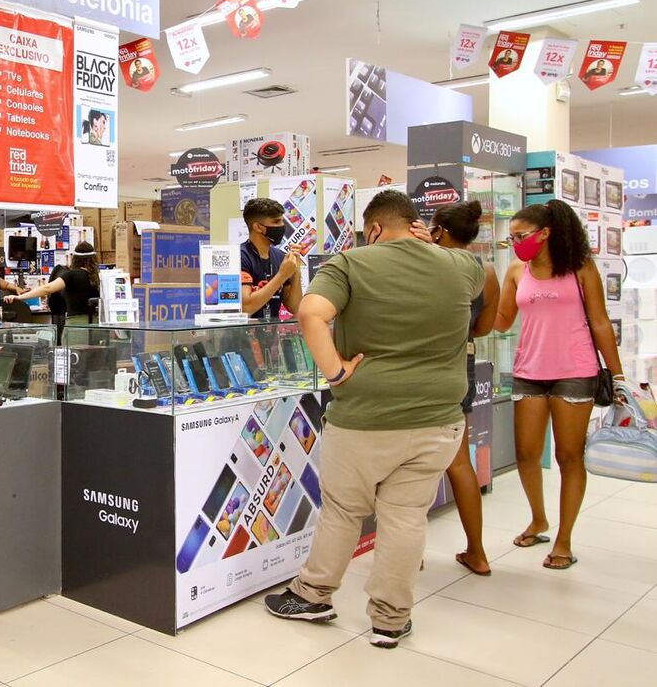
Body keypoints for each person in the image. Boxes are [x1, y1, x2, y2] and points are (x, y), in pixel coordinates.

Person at [264, 190, 483, 649]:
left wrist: (337, 371)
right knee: (406, 517)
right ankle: (390, 619)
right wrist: (435, 250)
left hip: (366, 417)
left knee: (344, 510)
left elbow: (310, 312)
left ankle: (314, 594)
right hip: (439, 417)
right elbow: (486, 283)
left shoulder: (350, 264)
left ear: (376, 229)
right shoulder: (462, 266)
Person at [495, 199, 623, 571]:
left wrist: (617, 375)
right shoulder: (516, 270)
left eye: (521, 235)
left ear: (545, 233)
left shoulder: (580, 267)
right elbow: (502, 319)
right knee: (526, 454)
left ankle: (564, 538)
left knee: (569, 457)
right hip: (528, 370)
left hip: (575, 370)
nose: (516, 242)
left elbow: (599, 322)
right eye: (512, 237)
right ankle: (539, 519)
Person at [427, 201, 500, 576]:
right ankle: (477, 551)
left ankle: (411, 553)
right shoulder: (484, 270)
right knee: (459, 461)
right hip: (461, 361)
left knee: (409, 463)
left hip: (419, 363)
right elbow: (486, 326)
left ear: (438, 230)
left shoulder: (425, 263)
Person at [4, 242, 99, 325]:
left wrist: (20, 297)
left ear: (75, 258)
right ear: (93, 259)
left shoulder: (71, 275)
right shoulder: (98, 277)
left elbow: (47, 288)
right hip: (96, 323)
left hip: (77, 324)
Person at [240, 198, 303, 320]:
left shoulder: (280, 256)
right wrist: (282, 275)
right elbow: (247, 307)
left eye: (282, 221)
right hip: (244, 336)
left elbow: (294, 307)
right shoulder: (241, 256)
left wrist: (296, 271)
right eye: (276, 222)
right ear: (258, 227)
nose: (282, 226)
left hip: (271, 336)